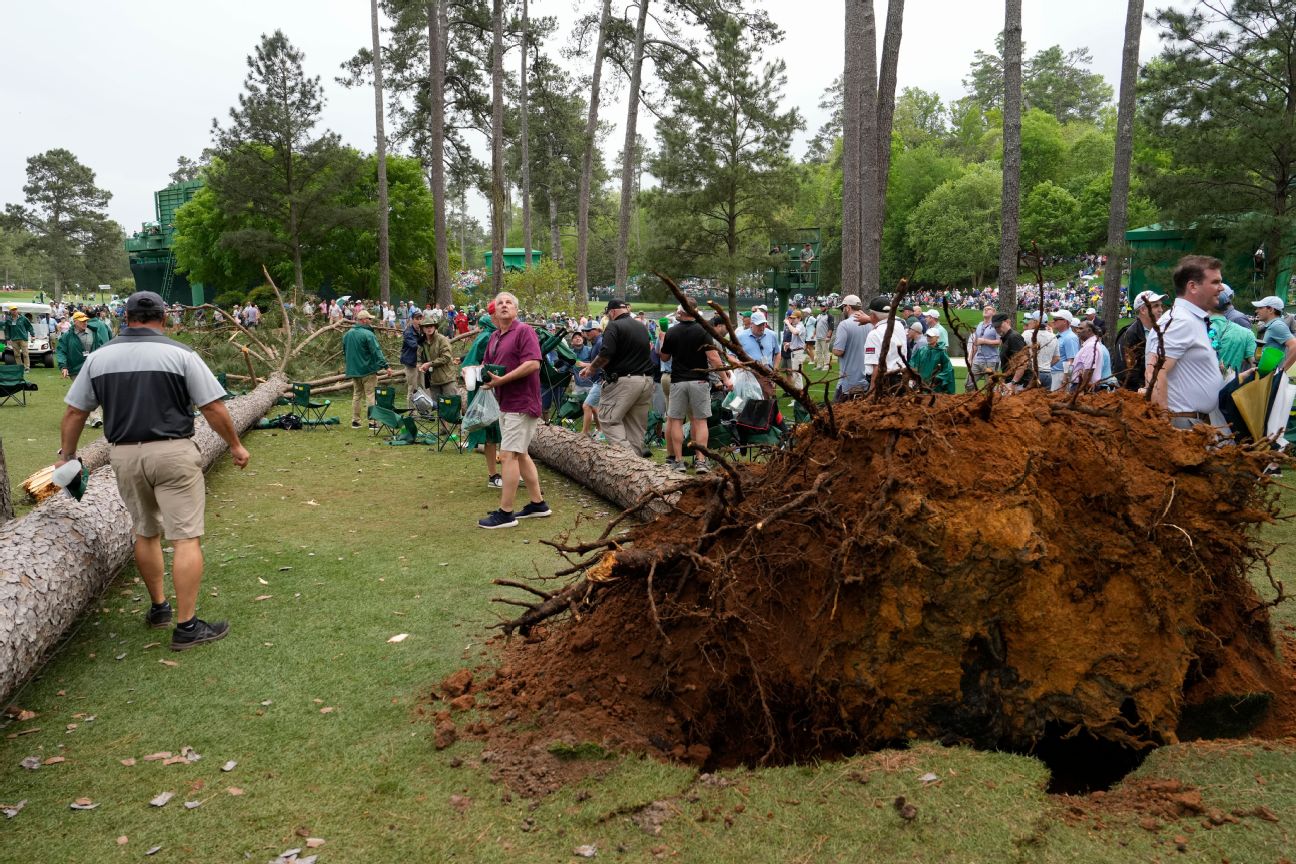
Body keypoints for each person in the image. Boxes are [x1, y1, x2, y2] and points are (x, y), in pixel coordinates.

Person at [57, 291, 249, 650]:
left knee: (145, 533)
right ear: (163, 318)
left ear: (125, 318)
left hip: (124, 455)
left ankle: (159, 608)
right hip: (174, 453)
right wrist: (236, 445)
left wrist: (67, 456)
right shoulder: (181, 355)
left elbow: (74, 413)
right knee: (185, 538)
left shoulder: (98, 359)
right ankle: (187, 626)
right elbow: (213, 408)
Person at [477, 292, 550, 529]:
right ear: (494, 312)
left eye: (509, 302)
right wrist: (476, 373)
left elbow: (533, 364)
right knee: (521, 453)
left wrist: (502, 380)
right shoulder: (495, 337)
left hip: (523, 402)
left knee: (508, 455)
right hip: (505, 402)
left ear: (516, 310)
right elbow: (487, 366)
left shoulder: (524, 331)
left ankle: (506, 513)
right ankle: (538, 504)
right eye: (500, 303)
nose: (504, 305)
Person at [1144, 255, 1225, 430]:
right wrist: (1164, 426)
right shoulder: (1180, 321)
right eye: (1215, 282)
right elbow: (1155, 373)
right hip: (1181, 424)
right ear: (1193, 286)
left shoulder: (1190, 319)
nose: (1221, 288)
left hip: (1193, 422)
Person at [659, 305, 730, 474]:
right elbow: (713, 358)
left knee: (675, 420)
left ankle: (678, 461)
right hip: (699, 381)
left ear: (681, 313)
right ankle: (701, 461)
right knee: (700, 421)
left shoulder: (672, 331)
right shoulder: (703, 330)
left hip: (678, 381)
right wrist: (725, 378)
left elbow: (664, 356)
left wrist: (663, 341)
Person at [578, 299, 655, 454]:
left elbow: (606, 354)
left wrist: (591, 368)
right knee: (635, 426)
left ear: (612, 312)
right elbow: (649, 347)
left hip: (624, 381)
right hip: (646, 380)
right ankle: (638, 469)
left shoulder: (614, 326)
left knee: (608, 419)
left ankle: (629, 458)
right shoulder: (641, 326)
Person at [462, 310, 503, 487]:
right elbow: (472, 366)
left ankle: (497, 475)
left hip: (488, 391)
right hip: (488, 391)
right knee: (493, 433)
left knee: (493, 434)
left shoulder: (489, 335)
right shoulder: (488, 337)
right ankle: (496, 475)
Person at [343, 310, 390, 429]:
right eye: (369, 319)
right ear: (363, 320)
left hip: (354, 371)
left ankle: (355, 421)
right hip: (368, 370)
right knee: (370, 395)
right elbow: (376, 352)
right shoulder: (368, 334)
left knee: (357, 395)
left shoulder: (347, 334)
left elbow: (345, 352)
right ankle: (372, 422)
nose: (371, 321)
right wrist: (386, 366)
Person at [57, 312, 103, 427]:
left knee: (92, 391)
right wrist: (63, 366)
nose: (85, 322)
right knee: (82, 393)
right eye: (82, 321)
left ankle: (95, 417)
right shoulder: (67, 336)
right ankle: (86, 417)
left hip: (92, 367)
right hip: (76, 369)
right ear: (75, 322)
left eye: (86, 320)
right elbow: (61, 351)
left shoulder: (94, 332)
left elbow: (101, 347)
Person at [1114, 291, 1164, 391]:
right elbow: (1124, 371)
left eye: (1161, 306)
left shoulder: (1163, 331)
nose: (1161, 310)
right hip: (1138, 395)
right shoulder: (1129, 335)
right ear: (1143, 310)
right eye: (1155, 306)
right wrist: (1141, 390)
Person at [831, 295, 871, 400]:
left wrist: (832, 346)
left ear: (848, 307)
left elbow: (838, 351)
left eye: (842, 308)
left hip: (848, 381)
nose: (842, 311)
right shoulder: (870, 324)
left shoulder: (844, 325)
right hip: (867, 380)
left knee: (834, 414)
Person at [418, 316, 458, 400]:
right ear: (423, 329)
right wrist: (421, 365)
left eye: (431, 326)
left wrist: (429, 364)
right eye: (426, 326)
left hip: (447, 379)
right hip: (433, 380)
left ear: (435, 327)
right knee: (438, 408)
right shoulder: (423, 342)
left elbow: (446, 357)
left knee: (450, 407)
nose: (429, 328)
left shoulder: (442, 339)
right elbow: (421, 358)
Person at [1018, 312, 1058, 389]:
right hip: (1047, 374)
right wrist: (1045, 366)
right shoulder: (1053, 336)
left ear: (1036, 321)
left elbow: (1020, 354)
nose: (1029, 322)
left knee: (1030, 399)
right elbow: (1057, 358)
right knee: (1044, 399)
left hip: (1032, 373)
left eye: (1031, 320)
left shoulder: (1026, 334)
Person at [911, 328, 956, 393]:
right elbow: (912, 363)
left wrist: (939, 377)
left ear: (937, 337)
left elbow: (948, 369)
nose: (928, 338)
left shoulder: (941, 352)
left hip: (935, 387)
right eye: (927, 336)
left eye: (931, 336)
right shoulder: (921, 350)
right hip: (921, 384)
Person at [968, 305, 1002, 390]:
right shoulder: (979, 325)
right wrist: (970, 358)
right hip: (978, 360)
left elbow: (1000, 342)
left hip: (991, 361)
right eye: (984, 309)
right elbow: (976, 343)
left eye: (988, 309)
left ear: (994, 312)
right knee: (968, 384)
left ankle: (989, 403)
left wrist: (984, 341)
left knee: (990, 388)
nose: (986, 310)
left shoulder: (996, 325)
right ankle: (973, 402)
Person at [1049, 310, 1081, 391]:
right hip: (1054, 374)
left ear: (1064, 321)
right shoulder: (1058, 335)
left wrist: (1065, 379)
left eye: (1056, 319)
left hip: (1060, 375)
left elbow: (1071, 361)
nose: (1053, 321)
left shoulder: (1070, 338)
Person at [993, 313, 1027, 388]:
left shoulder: (1014, 337)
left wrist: (1013, 382)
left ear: (1008, 322)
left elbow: (1022, 362)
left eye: (999, 326)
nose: (997, 329)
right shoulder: (1005, 338)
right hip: (1010, 381)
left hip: (1019, 383)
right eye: (995, 327)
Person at [400, 309, 427, 403]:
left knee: (422, 386)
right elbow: (414, 345)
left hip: (420, 363)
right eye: (417, 318)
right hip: (411, 364)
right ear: (412, 320)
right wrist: (424, 336)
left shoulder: (420, 331)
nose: (419, 320)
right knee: (412, 388)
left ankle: (423, 410)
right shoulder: (408, 332)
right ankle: (411, 412)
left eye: (420, 318)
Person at [814, 305, 834, 370]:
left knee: (826, 351)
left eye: (823, 306)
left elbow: (831, 327)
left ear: (826, 307)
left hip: (824, 337)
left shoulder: (829, 316)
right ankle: (819, 365)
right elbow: (816, 325)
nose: (821, 307)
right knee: (817, 351)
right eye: (821, 306)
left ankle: (826, 365)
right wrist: (814, 334)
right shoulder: (819, 316)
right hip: (818, 337)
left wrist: (828, 336)